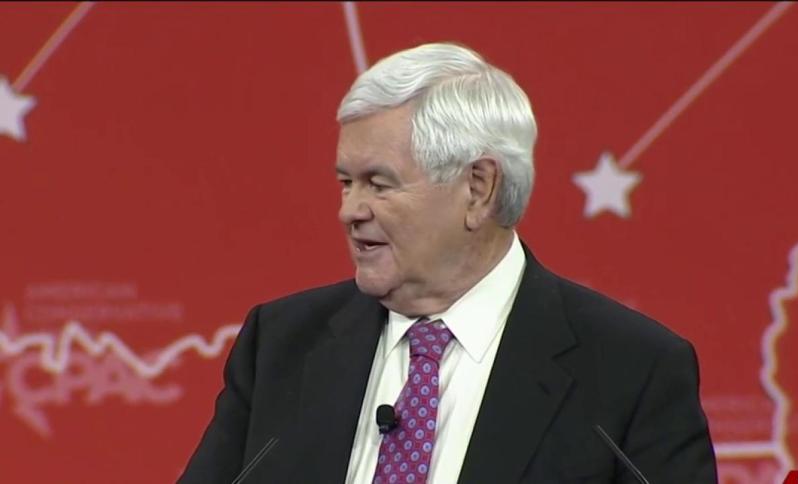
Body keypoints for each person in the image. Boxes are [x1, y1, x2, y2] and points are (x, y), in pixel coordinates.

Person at [179, 42, 717, 484]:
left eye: (378, 184)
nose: (349, 211)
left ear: (478, 189)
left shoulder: (632, 371)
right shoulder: (280, 345)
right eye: (346, 182)